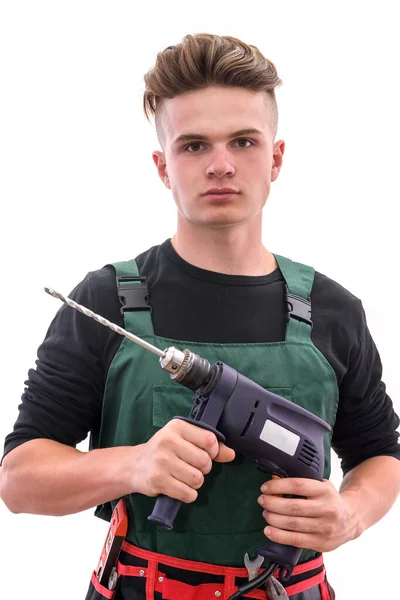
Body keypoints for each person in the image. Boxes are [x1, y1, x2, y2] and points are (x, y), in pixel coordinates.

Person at [1, 33, 399, 600]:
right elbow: (18, 480)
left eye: (242, 141)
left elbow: (381, 453)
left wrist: (352, 514)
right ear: (164, 166)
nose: (220, 165)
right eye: (193, 146)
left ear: (276, 157)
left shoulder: (333, 310)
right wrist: (134, 466)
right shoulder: (105, 301)